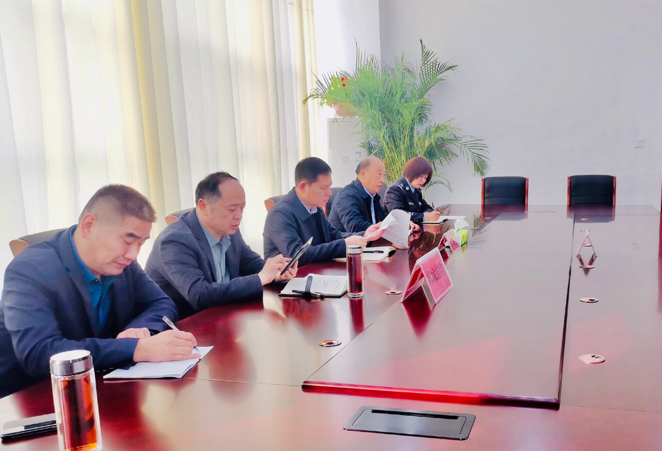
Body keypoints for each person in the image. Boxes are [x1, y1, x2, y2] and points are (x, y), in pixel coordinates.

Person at [0, 185, 198, 397]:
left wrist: (139, 330)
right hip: (34, 397)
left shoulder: (121, 263)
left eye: (140, 244)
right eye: (127, 241)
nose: (133, 254)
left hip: (99, 384)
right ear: (89, 226)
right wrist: (135, 349)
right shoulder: (29, 269)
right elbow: (38, 353)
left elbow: (161, 303)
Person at [145, 172, 298, 318]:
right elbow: (200, 295)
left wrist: (277, 274)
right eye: (231, 209)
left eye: (242, 208)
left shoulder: (229, 230)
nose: (239, 216)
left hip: (225, 315)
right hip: (187, 325)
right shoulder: (175, 241)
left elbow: (252, 265)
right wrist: (260, 278)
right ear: (203, 206)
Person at [263, 157, 384, 265]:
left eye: (329, 187)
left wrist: (365, 234)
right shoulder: (279, 214)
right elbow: (297, 255)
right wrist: (344, 245)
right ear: (303, 187)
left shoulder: (315, 209)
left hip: (316, 274)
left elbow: (334, 236)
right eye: (324, 188)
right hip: (289, 281)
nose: (329, 193)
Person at [384, 156, 441, 224]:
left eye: (425, 178)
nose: (423, 181)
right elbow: (399, 215)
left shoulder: (416, 189)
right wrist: (424, 217)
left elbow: (425, 206)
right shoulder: (395, 189)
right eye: (420, 176)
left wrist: (428, 213)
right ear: (411, 172)